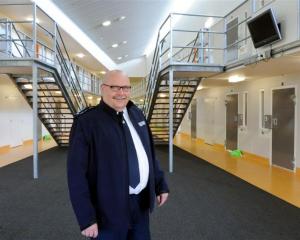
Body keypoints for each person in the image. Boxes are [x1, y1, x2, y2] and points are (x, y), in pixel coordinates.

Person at [67, 70, 169, 240]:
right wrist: (86, 218)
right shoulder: (87, 122)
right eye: (115, 87)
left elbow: (148, 153)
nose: (121, 93)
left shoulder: (136, 114)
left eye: (126, 88)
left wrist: (160, 184)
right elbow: (76, 175)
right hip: (107, 211)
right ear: (102, 89)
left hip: (140, 205)